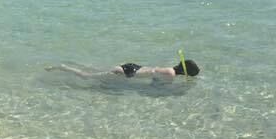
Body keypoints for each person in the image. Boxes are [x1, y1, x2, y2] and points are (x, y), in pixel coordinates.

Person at [57, 59, 201, 81]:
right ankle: (63, 68)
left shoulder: (169, 69)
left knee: (94, 71)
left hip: (132, 67)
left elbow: (153, 73)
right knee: (86, 76)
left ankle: (69, 65)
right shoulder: (171, 74)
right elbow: (155, 82)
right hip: (124, 73)